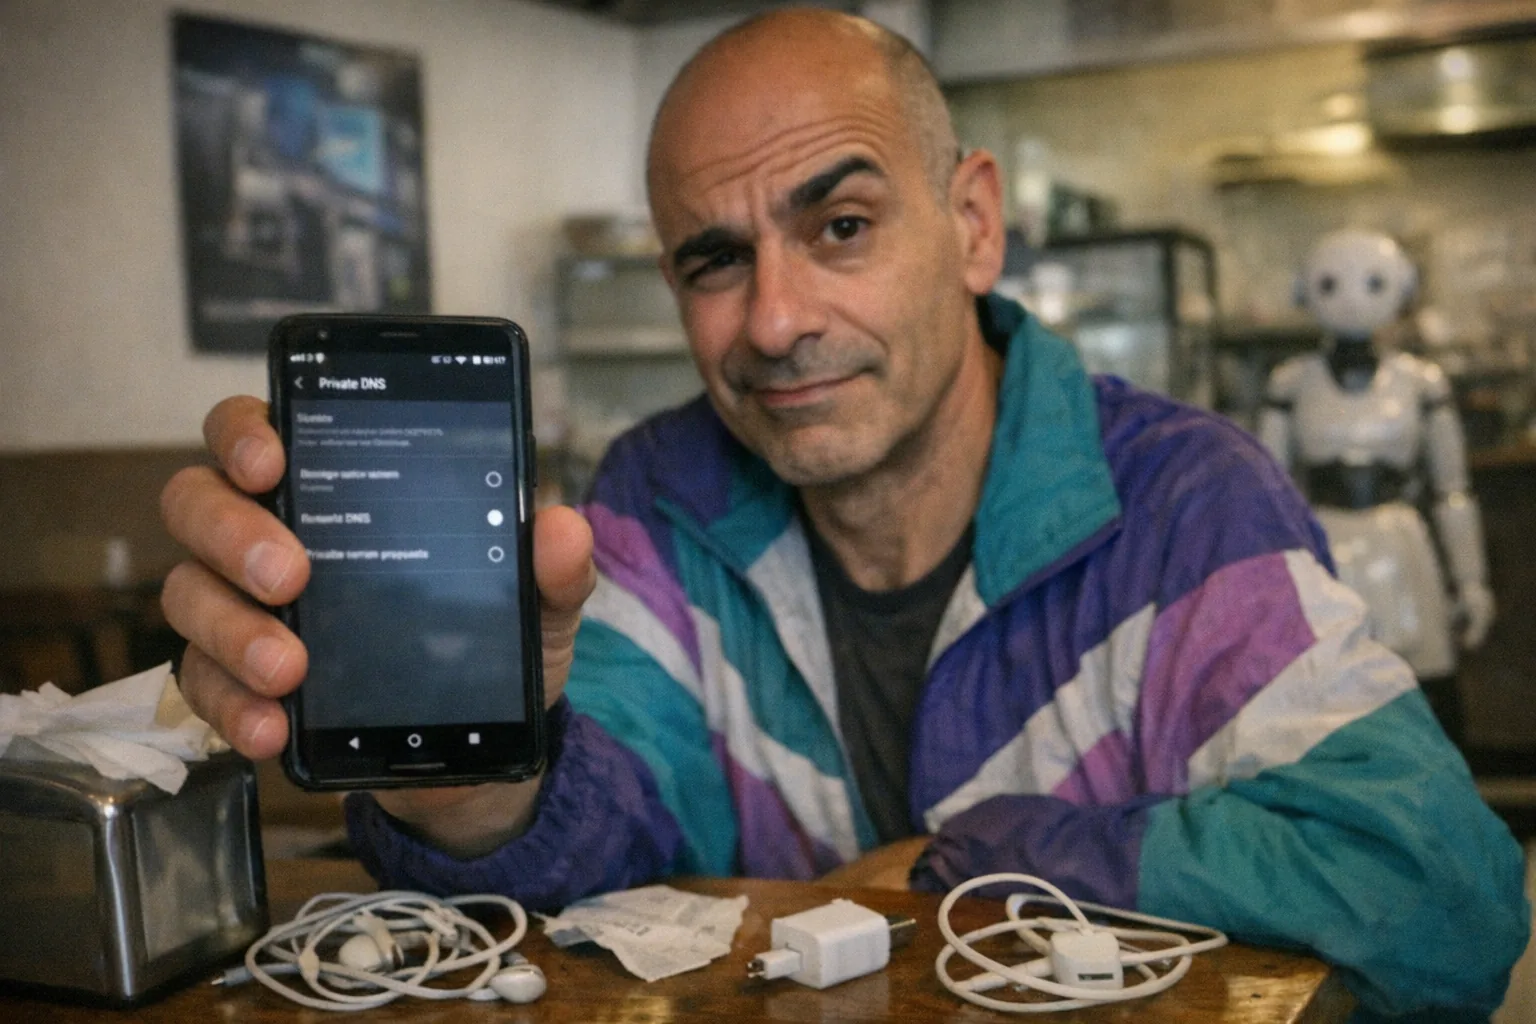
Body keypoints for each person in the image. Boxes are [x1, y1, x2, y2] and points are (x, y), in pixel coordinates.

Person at [160, 9, 1527, 1020]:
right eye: (714, 259)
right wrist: (476, 787)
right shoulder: (658, 493)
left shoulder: (1179, 500)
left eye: (844, 225)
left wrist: (967, 856)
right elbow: (607, 841)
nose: (773, 320)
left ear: (974, 223)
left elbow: (1441, 896)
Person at [1258, 228, 1495, 744]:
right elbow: (1266, 492)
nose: (1350, 300)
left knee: (1421, 682)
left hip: (1399, 542)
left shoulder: (1421, 381)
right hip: (1323, 540)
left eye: (1372, 284)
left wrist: (1470, 579)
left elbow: (1452, 490)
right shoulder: (1292, 383)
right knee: (1323, 689)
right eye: (1331, 285)